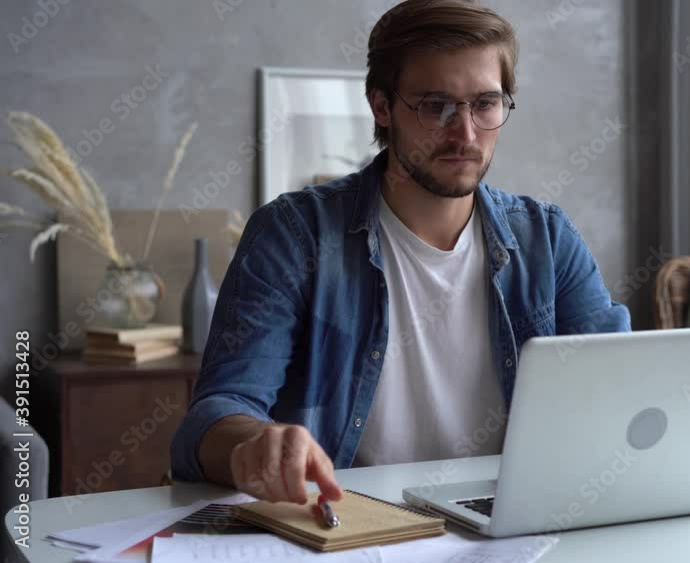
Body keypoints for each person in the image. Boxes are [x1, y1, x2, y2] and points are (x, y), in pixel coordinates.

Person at [169, 0, 630, 505]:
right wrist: (253, 445)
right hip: (352, 527)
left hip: (509, 523)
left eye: (485, 103)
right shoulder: (293, 236)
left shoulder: (548, 240)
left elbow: (619, 394)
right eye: (436, 105)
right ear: (382, 107)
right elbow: (215, 414)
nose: (466, 133)